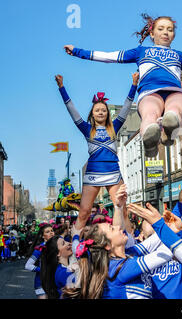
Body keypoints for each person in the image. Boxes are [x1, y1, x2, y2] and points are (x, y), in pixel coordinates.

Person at [63, 14, 182, 157]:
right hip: (150, 93)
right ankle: (150, 141)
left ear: (174, 35)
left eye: (170, 29)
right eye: (161, 29)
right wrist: (79, 52)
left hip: (175, 91)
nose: (166, 32)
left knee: (175, 107)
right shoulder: (140, 51)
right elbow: (110, 56)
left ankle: (170, 124)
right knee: (150, 114)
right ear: (152, 33)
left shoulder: (179, 55)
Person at [55, 73, 138, 231]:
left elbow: (126, 107)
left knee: (122, 210)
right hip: (93, 173)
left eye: (104, 110)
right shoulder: (87, 129)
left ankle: (129, 244)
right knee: (84, 212)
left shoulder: (115, 127)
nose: (100, 112)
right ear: (92, 114)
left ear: (107, 114)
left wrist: (134, 85)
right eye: (97, 110)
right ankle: (74, 248)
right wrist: (61, 88)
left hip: (113, 172)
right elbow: (71, 109)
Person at [25, 224, 55, 299]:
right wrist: (42, 270)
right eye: (47, 232)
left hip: (54, 282)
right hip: (41, 283)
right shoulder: (40, 249)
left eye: (52, 230)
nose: (51, 233)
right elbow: (28, 265)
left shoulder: (58, 246)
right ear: (42, 236)